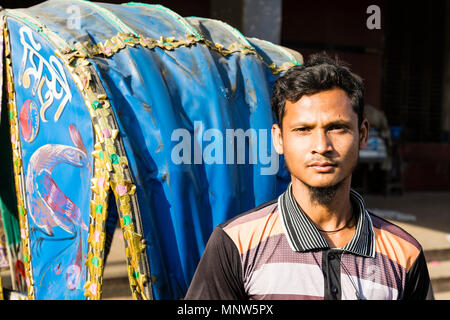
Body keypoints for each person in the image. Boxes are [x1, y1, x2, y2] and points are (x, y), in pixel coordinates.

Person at [184, 53, 434, 300]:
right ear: (279, 139)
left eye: (337, 128)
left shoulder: (404, 253)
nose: (322, 146)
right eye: (303, 129)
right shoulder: (236, 244)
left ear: (363, 135)